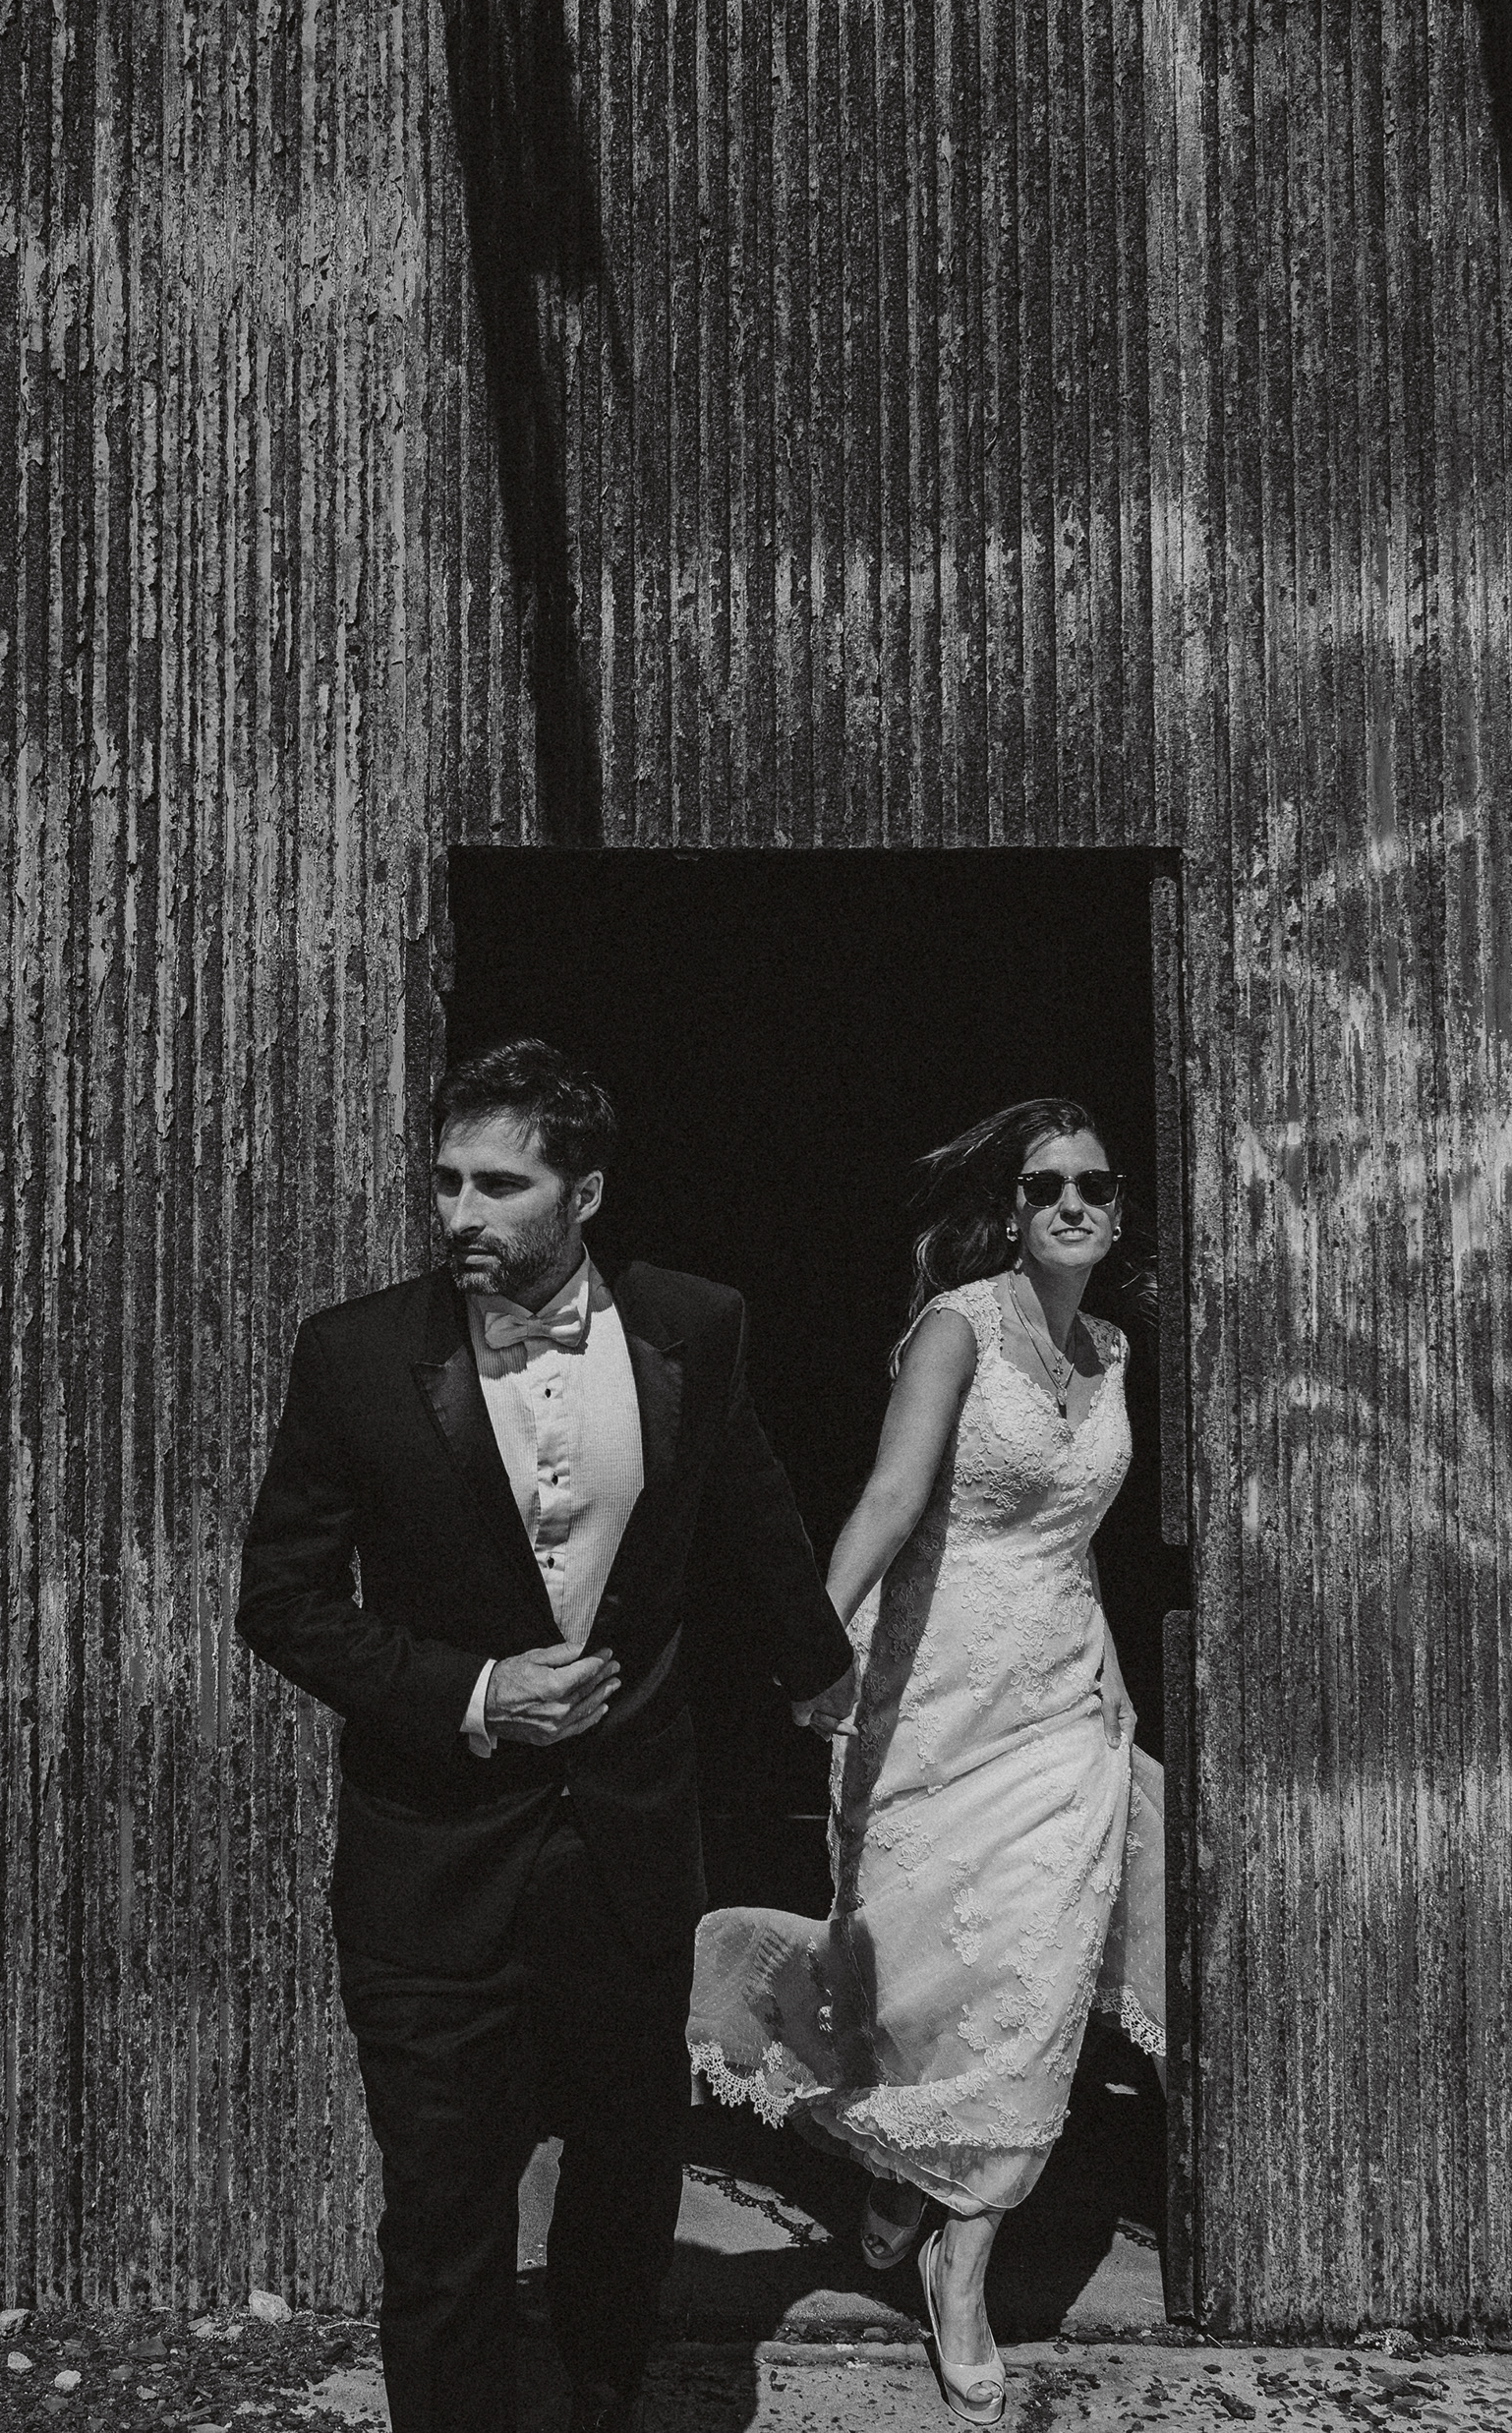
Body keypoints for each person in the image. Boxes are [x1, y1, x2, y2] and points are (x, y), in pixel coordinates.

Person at [237, 1038, 855, 2433]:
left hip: (629, 1846)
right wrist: (472, 1690)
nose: (459, 1211)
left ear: (586, 1193)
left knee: (627, 2173)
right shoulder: (354, 1355)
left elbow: (746, 1502)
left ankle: (598, 2390)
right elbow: (279, 1600)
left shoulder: (694, 1326)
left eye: (499, 1184)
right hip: (430, 1863)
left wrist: (823, 1671)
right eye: (446, 1179)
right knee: (444, 2206)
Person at [688, 1100, 1166, 2426]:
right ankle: (904, 2163)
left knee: (1037, 1977)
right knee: (917, 1976)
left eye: (1094, 1185)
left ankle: (964, 2266)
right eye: (1045, 1185)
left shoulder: (1116, 1348)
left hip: (1063, 1700)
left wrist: (1115, 1680)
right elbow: (894, 1499)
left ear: (1116, 1209)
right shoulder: (959, 1325)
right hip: (934, 1692)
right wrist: (812, 1646)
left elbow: (1075, 1537)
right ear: (1010, 1210)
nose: (1071, 1204)